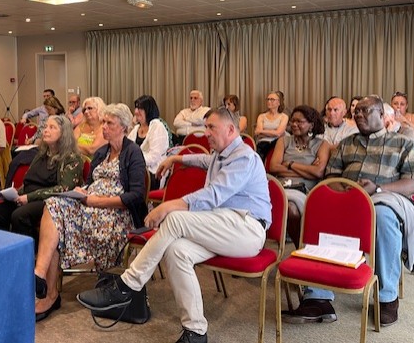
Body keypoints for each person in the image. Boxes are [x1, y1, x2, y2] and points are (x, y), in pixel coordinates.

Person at [77, 108, 271, 343]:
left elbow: (214, 194)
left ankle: (127, 285)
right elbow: (204, 160)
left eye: (211, 127)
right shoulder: (222, 155)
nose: (206, 133)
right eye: (205, 127)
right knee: (176, 251)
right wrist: (176, 158)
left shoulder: (244, 156)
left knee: (175, 218)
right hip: (224, 228)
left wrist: (169, 205)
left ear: (231, 130)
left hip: (247, 229)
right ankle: (195, 331)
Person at [283, 95, 414, 327]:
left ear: (382, 115)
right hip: (347, 198)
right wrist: (349, 193)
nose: (358, 114)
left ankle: (386, 297)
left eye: (365, 111)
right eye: (357, 111)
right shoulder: (347, 144)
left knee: (381, 214)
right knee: (321, 208)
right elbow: (331, 176)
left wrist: (378, 189)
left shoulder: (403, 143)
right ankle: (318, 297)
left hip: (386, 199)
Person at [33, 103, 148, 322]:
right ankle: (40, 276)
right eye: (103, 122)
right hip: (89, 206)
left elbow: (136, 196)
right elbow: (91, 183)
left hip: (115, 215)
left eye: (109, 123)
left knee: (59, 222)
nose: (103, 127)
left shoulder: (133, 153)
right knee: (54, 204)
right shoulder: (102, 152)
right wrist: (82, 191)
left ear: (123, 127)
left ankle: (50, 294)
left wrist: (97, 200)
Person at [0, 115, 83, 244]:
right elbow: (29, 179)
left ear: (64, 133)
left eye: (52, 127)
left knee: (19, 215)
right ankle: (2, 249)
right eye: (45, 127)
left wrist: (29, 197)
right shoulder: (42, 153)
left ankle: (30, 252)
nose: (45, 130)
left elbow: (64, 188)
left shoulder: (72, 158)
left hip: (50, 200)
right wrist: (14, 193)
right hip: (26, 195)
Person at [270, 105, 330, 248]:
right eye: (292, 121)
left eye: (299, 122)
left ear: (311, 125)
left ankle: (300, 247)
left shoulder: (322, 144)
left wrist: (290, 164)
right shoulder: (283, 141)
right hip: (281, 186)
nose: (294, 125)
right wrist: (307, 170)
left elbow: (318, 173)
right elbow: (273, 167)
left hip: (305, 190)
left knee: (291, 209)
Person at [127, 95, 170, 190]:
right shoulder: (136, 128)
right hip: (136, 169)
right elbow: (126, 149)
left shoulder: (157, 126)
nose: (136, 112)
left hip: (153, 173)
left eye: (140, 108)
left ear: (149, 110)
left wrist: (132, 160)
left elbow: (153, 158)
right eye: (136, 108)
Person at [254, 91, 288, 161]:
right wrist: (273, 132)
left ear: (279, 102)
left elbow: (279, 133)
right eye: (268, 99)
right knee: (260, 151)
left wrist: (263, 132)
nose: (269, 101)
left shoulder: (284, 117)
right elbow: (257, 132)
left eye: (272, 99)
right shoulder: (261, 116)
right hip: (263, 142)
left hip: (279, 142)